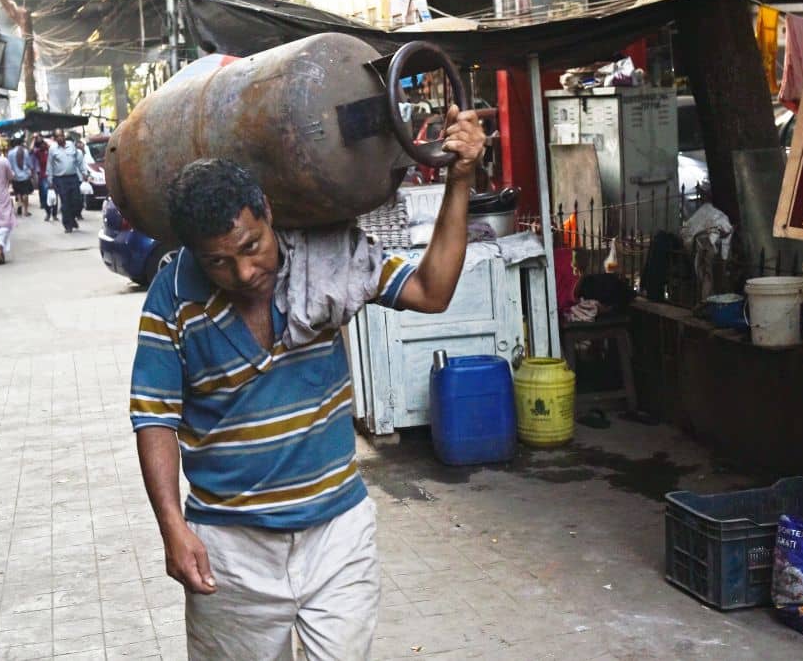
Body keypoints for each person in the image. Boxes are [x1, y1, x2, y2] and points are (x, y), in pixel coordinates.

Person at [130, 106, 486, 659]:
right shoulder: (172, 296)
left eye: (251, 246)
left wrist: (459, 180)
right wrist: (172, 527)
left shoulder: (328, 260)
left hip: (336, 534)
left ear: (268, 212)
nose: (244, 273)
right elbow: (155, 416)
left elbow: (432, 290)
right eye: (218, 262)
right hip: (230, 549)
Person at [48, 131, 85, 233]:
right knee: (65, 202)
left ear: (64, 136)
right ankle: (67, 224)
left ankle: (72, 218)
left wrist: (84, 172)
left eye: (61, 136)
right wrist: (50, 180)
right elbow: (50, 165)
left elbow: (78, 159)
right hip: (60, 179)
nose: (60, 138)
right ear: (55, 138)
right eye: (57, 136)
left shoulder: (71, 145)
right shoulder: (53, 149)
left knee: (77, 200)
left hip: (73, 177)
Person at [7, 137, 36, 217]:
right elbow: (29, 163)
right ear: (20, 143)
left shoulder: (10, 153)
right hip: (24, 176)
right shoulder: (25, 151)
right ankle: (25, 211)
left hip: (15, 176)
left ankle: (19, 204)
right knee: (25, 193)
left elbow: (9, 165)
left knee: (18, 192)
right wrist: (32, 170)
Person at [33, 137, 55, 221]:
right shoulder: (38, 153)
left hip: (54, 175)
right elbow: (31, 150)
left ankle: (54, 213)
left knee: (54, 195)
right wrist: (33, 139)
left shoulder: (51, 151)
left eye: (44, 144)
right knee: (45, 195)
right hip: (44, 176)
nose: (43, 145)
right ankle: (48, 212)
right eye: (41, 145)